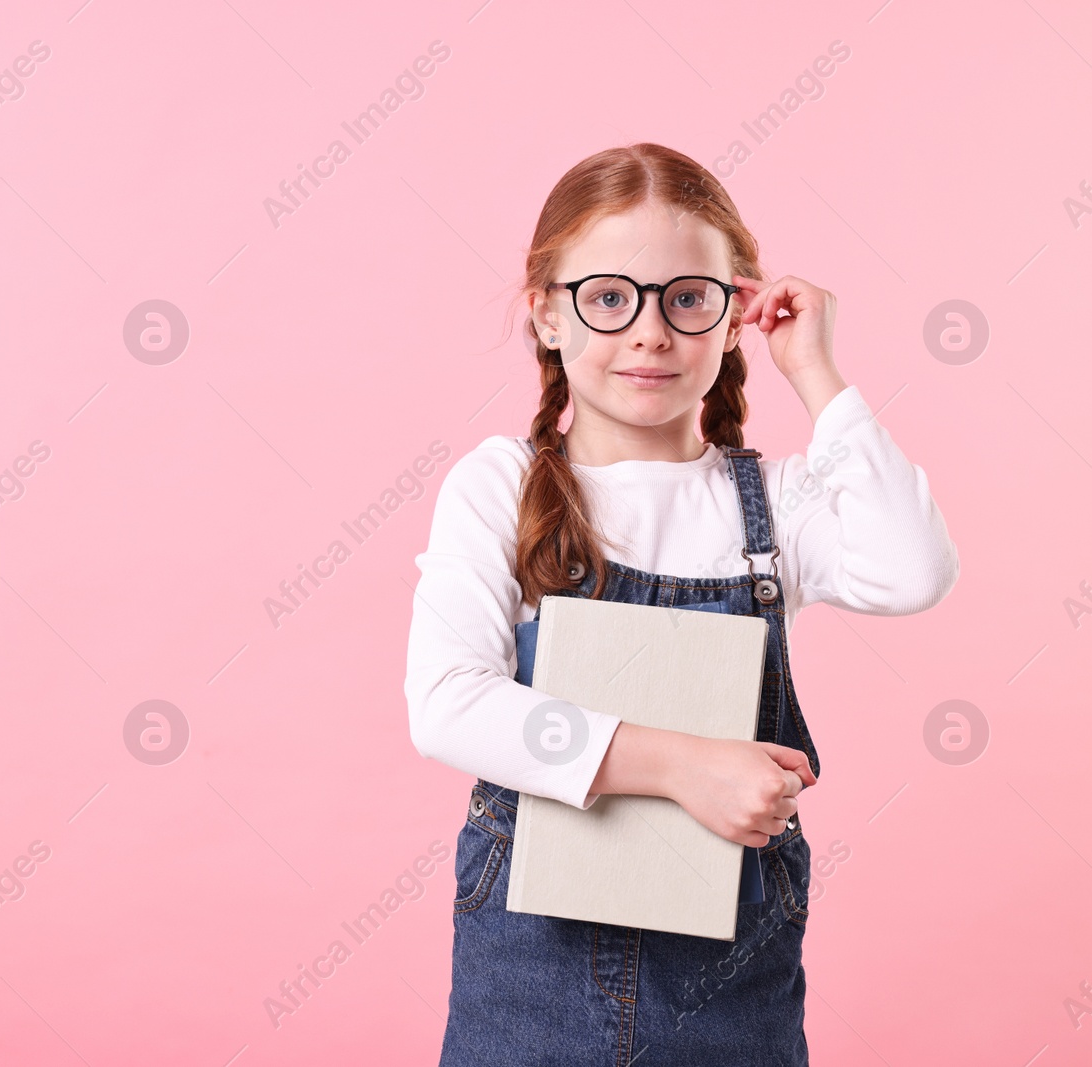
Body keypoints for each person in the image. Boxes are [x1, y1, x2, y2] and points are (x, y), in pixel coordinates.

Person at [403, 143, 960, 1065]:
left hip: (728, 977)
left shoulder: (772, 504)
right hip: (532, 966)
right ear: (545, 312)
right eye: (609, 297)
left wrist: (814, 370)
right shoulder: (500, 484)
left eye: (687, 298)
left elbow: (912, 569)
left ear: (734, 314)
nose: (651, 333)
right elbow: (449, 701)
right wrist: (680, 767)